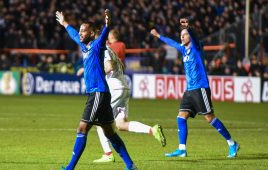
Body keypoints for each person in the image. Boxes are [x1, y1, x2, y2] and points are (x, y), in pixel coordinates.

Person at [55, 10, 137, 170]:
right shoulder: (83, 46)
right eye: (79, 31)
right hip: (101, 93)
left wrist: (107, 25)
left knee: (82, 128)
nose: (79, 33)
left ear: (91, 33)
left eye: (83, 31)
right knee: (110, 133)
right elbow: (73, 34)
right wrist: (64, 23)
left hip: (98, 92)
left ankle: (70, 168)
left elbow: (104, 35)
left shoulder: (97, 45)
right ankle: (131, 166)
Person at [150, 18, 239, 158]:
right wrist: (158, 35)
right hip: (189, 90)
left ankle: (232, 143)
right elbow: (172, 43)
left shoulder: (197, 48)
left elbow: (195, 37)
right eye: (181, 35)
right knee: (181, 117)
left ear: (190, 36)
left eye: (184, 35)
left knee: (210, 118)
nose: (182, 37)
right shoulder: (183, 50)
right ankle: (182, 149)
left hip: (200, 88)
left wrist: (189, 27)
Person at [77, 28, 166, 163]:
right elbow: (119, 65)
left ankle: (108, 154)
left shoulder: (104, 49)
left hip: (113, 89)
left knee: (100, 123)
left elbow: (109, 66)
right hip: (123, 87)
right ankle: (152, 130)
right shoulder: (110, 50)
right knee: (121, 124)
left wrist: (94, 70)